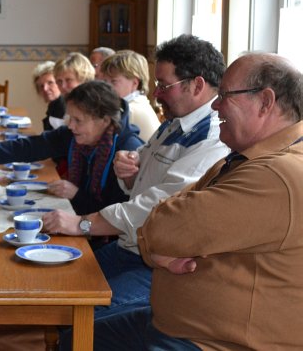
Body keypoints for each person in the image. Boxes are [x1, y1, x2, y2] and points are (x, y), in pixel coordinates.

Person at [95, 53, 303, 350]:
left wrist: (159, 243)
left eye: (225, 95)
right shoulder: (244, 158)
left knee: (82, 327)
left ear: (266, 102)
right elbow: (164, 217)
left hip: (212, 342)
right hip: (177, 324)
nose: (215, 104)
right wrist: (159, 247)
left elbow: (162, 228)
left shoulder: (275, 175)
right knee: (76, 336)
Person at [47, 35, 230, 346]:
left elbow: (160, 205)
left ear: (197, 85)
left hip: (155, 266)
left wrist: (83, 223)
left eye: (164, 84)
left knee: (77, 319)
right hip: (128, 248)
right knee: (57, 286)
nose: (156, 92)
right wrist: (126, 171)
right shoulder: (174, 124)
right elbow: (138, 176)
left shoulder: (212, 138)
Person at [0, 81, 144, 215]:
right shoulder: (76, 135)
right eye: (70, 118)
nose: (71, 126)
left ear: (105, 120)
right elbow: (30, 146)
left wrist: (76, 195)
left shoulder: (127, 153)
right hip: (77, 218)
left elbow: (116, 215)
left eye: (78, 120)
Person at [100, 50, 160, 141]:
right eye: (104, 81)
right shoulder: (138, 103)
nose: (106, 88)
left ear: (135, 83)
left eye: (113, 82)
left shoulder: (130, 110)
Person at [32, 60, 65, 131]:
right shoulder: (53, 105)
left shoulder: (63, 107)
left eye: (50, 83)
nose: (45, 89)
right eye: (41, 86)